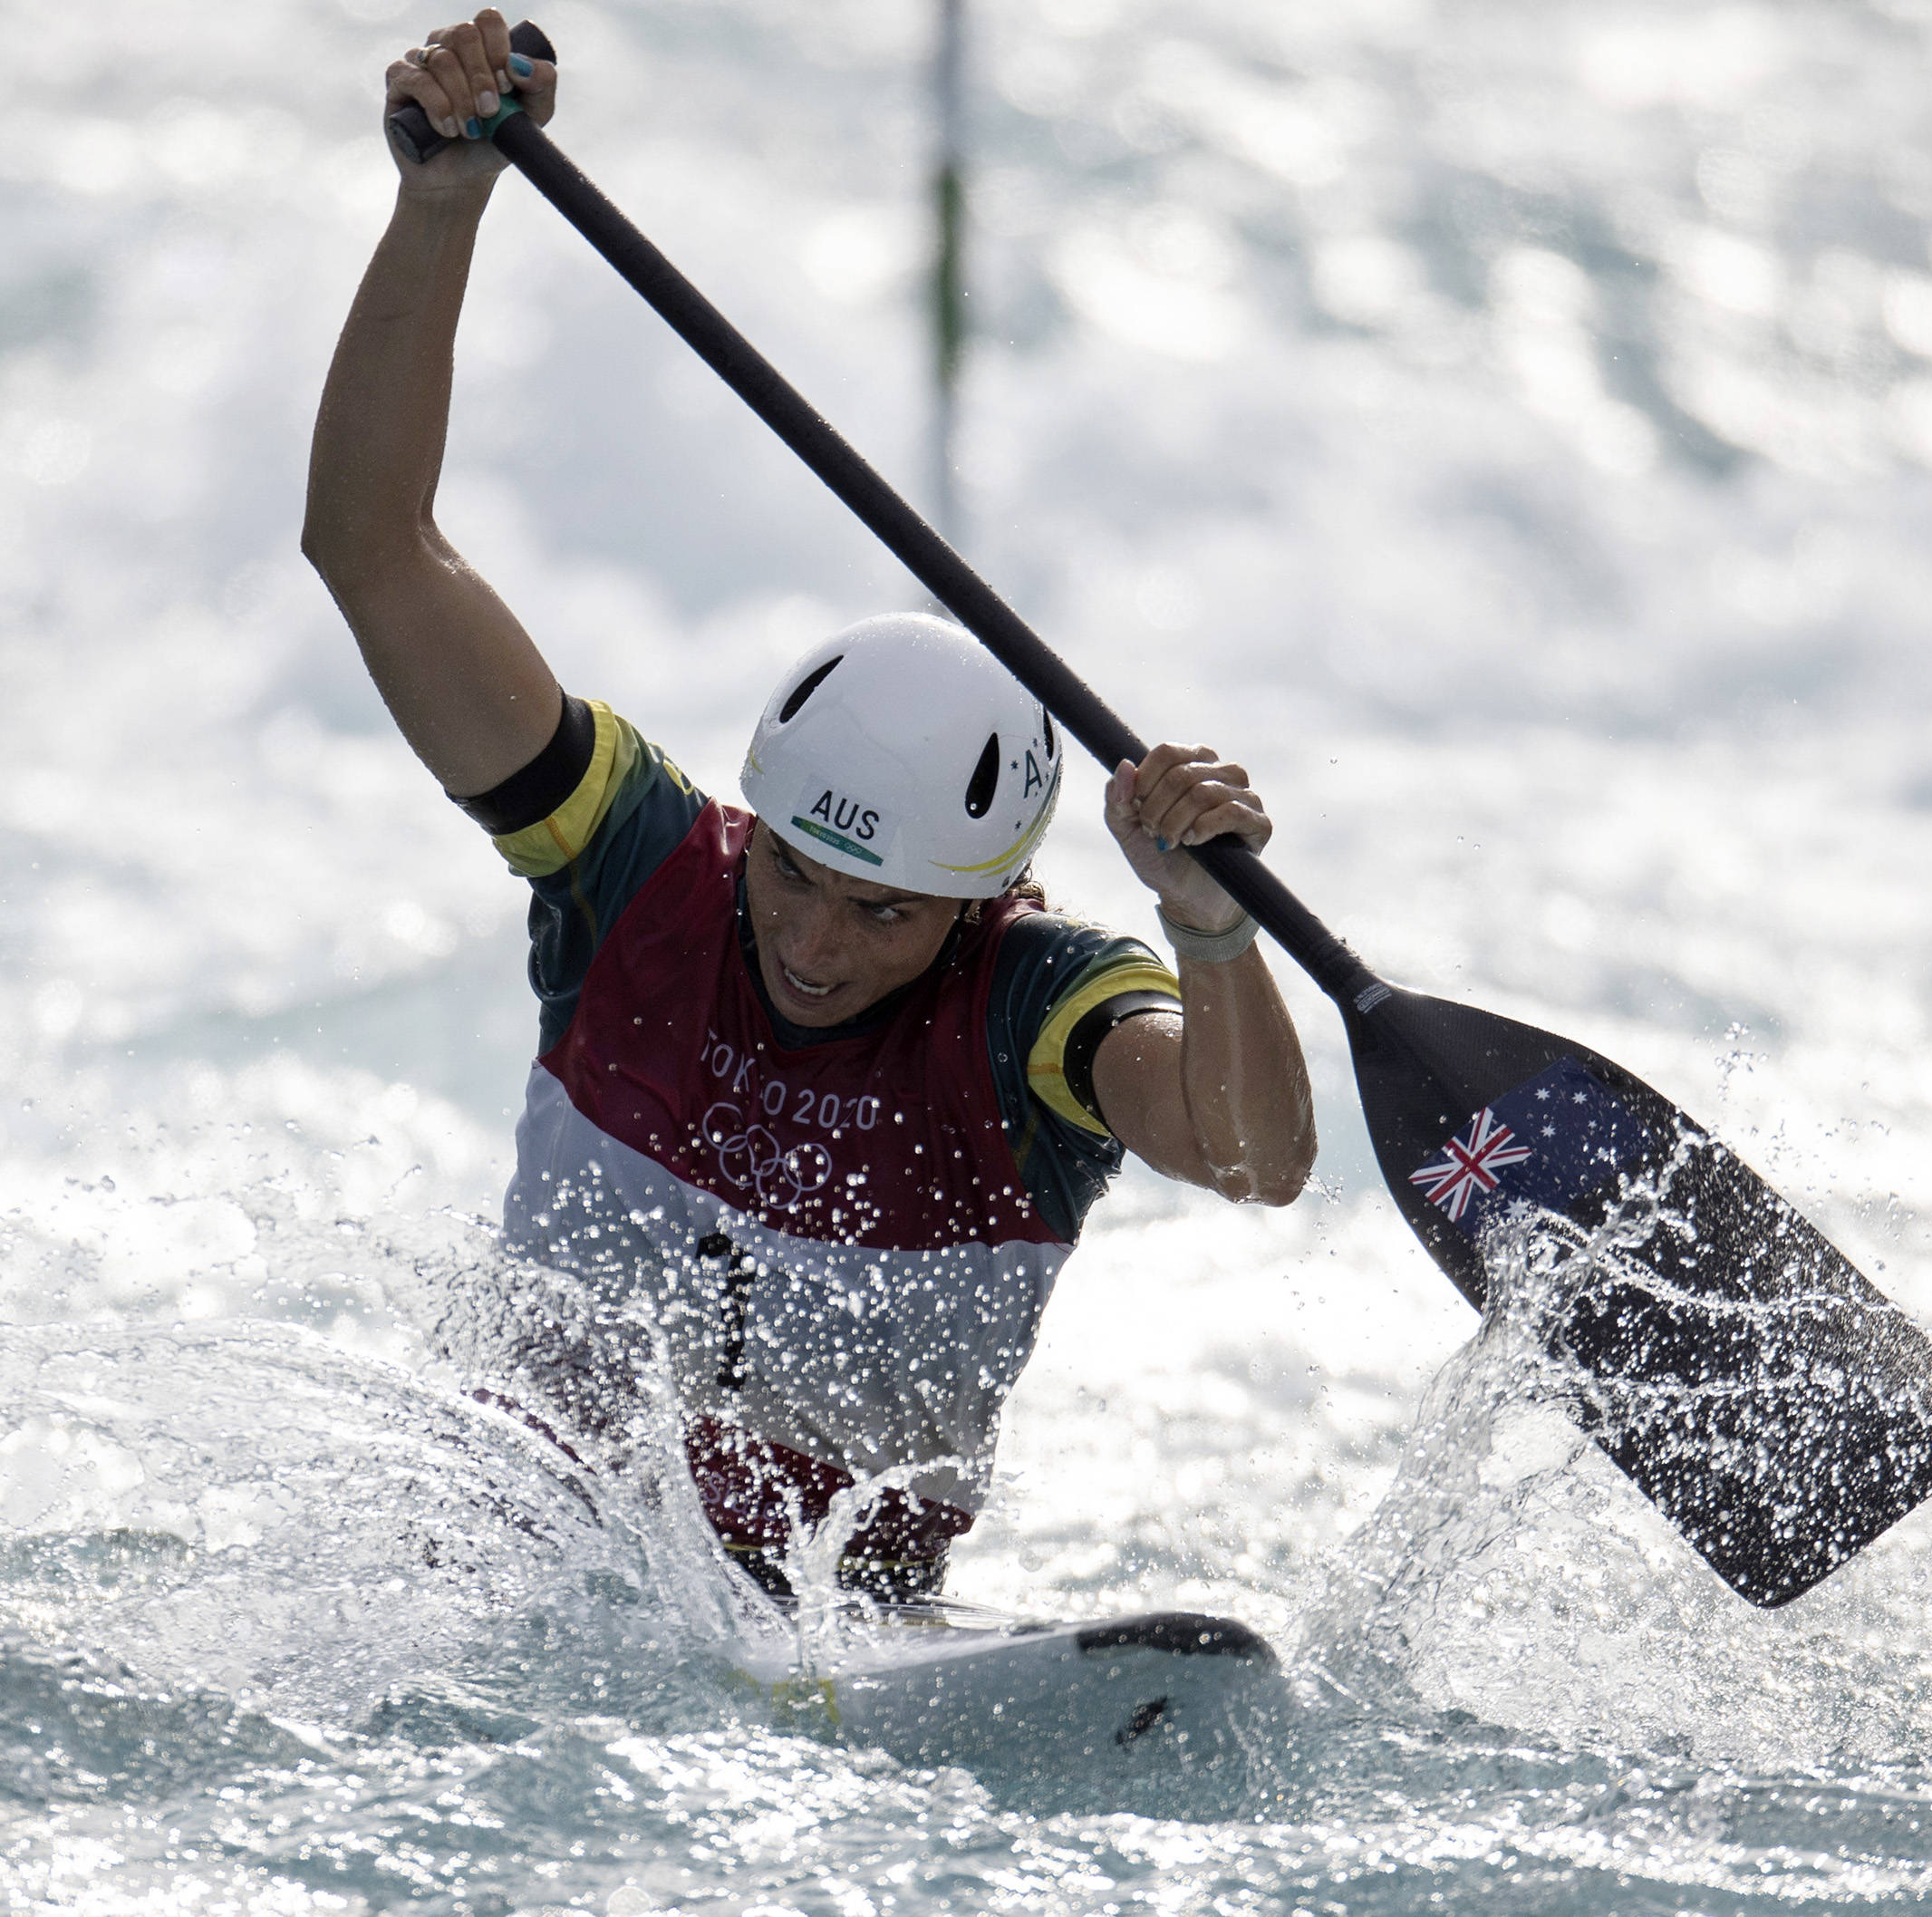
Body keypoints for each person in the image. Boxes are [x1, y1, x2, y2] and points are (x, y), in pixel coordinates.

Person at [303, 8, 1318, 1602]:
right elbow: (372, 550)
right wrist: (441, 207)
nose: (815, 944)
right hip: (506, 1562)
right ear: (756, 825)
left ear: (983, 905)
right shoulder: (634, 863)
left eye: (884, 911)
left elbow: (1251, 1163)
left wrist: (1211, 935)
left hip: (836, 1621)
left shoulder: (1039, 1007)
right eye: (793, 875)